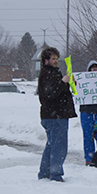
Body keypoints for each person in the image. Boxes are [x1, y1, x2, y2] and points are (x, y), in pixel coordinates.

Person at [37, 47, 77, 182]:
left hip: (54, 115)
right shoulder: (48, 74)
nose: (55, 61)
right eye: (53, 58)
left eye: (56, 58)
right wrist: (63, 82)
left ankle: (45, 173)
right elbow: (50, 93)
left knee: (52, 145)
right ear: (46, 60)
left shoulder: (51, 73)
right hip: (55, 116)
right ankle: (55, 174)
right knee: (58, 147)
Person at [79, 60, 97, 165]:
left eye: (96, 67)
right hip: (86, 111)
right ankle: (89, 158)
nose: (94, 69)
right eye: (92, 68)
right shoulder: (83, 81)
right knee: (88, 136)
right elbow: (76, 92)